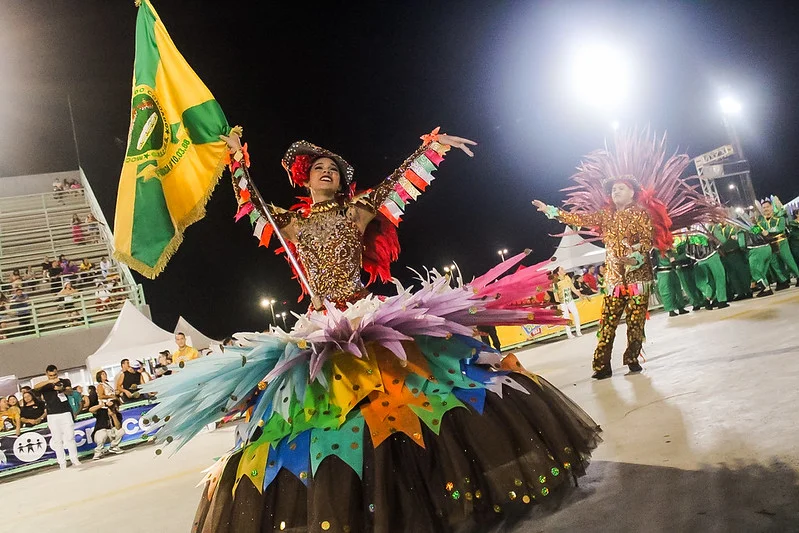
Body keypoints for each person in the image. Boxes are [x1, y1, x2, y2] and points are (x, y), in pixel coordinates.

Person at [140, 128, 601, 532]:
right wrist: (236, 159)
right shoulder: (292, 224)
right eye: (318, 168)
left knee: (409, 400)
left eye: (334, 169)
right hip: (320, 328)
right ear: (304, 179)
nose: (327, 172)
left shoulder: (356, 211)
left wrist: (433, 147)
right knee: (334, 417)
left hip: (367, 319)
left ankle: (430, 489)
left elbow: (398, 181)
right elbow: (251, 204)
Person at [533, 129, 720, 379]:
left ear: (632, 192)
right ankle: (601, 366)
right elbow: (579, 218)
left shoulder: (641, 214)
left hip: (638, 278)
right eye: (613, 190)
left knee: (635, 323)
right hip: (613, 280)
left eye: (620, 188)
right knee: (607, 324)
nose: (615, 192)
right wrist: (551, 211)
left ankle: (632, 358)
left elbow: (646, 241)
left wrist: (636, 258)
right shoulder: (605, 215)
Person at [34, 365, 81, 469]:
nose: (53, 376)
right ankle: (62, 462)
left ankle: (74, 458)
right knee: (57, 439)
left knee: (70, 437)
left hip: (65, 412)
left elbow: (70, 391)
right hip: (52, 414)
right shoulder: (45, 385)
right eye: (51, 375)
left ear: (57, 372)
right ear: (47, 374)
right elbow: (35, 387)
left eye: (55, 375)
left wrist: (61, 388)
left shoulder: (65, 381)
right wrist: (50, 382)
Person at [755, 199, 799, 289]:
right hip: (770, 244)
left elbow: (780, 228)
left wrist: (768, 231)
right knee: (775, 264)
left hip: (781, 242)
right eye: (764, 208)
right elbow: (754, 231)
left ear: (771, 207)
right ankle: (783, 281)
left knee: (789, 261)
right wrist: (751, 229)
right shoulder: (760, 222)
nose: (766, 209)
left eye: (767, 207)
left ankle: (798, 275)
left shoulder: (779, 217)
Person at [684, 231, 730, 310]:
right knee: (719, 278)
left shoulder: (689, 234)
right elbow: (723, 240)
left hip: (700, 260)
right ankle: (721, 301)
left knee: (708, 281)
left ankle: (708, 298)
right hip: (712, 257)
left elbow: (688, 251)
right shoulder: (708, 229)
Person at [87, 388, 124, 459]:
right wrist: (103, 405)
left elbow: (118, 427)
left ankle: (113, 446)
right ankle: (98, 451)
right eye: (114, 407)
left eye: (117, 407)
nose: (116, 408)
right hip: (100, 434)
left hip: (110, 434)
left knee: (121, 431)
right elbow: (91, 410)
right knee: (103, 432)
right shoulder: (102, 411)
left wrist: (113, 416)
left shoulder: (117, 414)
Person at [652, 247, 689, 317]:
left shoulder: (669, 250)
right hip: (663, 273)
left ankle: (681, 307)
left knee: (677, 290)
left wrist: (670, 253)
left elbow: (675, 258)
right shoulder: (655, 251)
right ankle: (671, 310)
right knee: (666, 291)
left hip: (672, 271)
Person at [552, 267, 583, 338]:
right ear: (558, 272)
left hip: (570, 299)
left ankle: (578, 330)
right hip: (562, 302)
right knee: (566, 317)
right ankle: (569, 333)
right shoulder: (555, 282)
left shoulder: (567, 277)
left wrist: (580, 295)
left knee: (576, 314)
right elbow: (555, 294)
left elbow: (572, 288)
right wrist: (558, 304)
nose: (564, 270)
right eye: (562, 269)